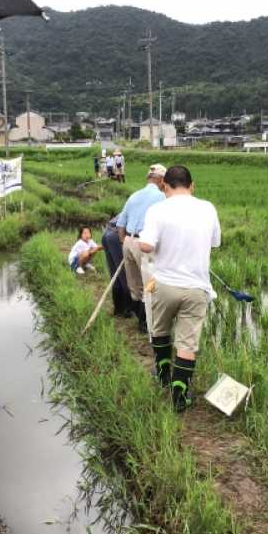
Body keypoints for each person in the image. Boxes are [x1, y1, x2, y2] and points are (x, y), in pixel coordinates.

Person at [139, 165, 221, 412]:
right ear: (191, 185)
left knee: (160, 330)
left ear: (164, 186)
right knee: (187, 344)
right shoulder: (207, 208)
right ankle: (179, 395)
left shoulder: (157, 209)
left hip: (164, 284)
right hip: (197, 287)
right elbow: (215, 242)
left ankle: (163, 375)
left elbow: (145, 246)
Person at [116, 164, 167, 333]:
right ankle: (145, 324)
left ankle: (139, 317)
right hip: (143, 245)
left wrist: (125, 241)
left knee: (135, 283)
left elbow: (120, 224)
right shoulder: (162, 197)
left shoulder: (134, 195)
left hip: (129, 241)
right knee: (150, 284)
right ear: (161, 180)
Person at [101, 217, 132, 317]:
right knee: (124, 274)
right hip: (117, 234)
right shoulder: (157, 206)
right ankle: (127, 310)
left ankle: (119, 309)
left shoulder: (134, 201)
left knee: (116, 274)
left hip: (108, 232)